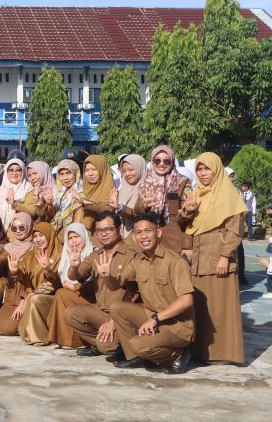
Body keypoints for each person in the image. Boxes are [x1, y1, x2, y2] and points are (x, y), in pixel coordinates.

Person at [105, 213, 195, 374]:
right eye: (138, 232)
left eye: (148, 231)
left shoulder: (174, 261)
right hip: (152, 316)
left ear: (158, 232)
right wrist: (106, 275)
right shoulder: (138, 260)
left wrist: (155, 319)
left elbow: (187, 300)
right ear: (134, 237)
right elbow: (116, 285)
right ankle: (136, 357)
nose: (143, 236)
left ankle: (178, 355)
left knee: (138, 344)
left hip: (176, 326)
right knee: (117, 308)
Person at [182, 153, 246, 365]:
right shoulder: (197, 194)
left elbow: (235, 230)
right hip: (199, 259)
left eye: (207, 169)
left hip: (218, 258)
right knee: (201, 307)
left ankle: (223, 353)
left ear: (217, 170)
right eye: (199, 169)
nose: (203, 173)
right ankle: (201, 352)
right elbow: (184, 225)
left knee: (220, 307)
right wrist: (187, 211)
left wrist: (225, 256)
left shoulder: (228, 195)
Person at [64, 211, 136, 357]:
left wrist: (114, 322)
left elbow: (134, 292)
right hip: (102, 311)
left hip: (122, 315)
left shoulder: (132, 254)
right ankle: (101, 341)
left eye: (108, 229)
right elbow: (75, 276)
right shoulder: (96, 255)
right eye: (99, 231)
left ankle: (116, 343)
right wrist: (73, 266)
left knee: (106, 348)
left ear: (119, 229)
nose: (103, 234)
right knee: (70, 314)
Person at [45, 222, 95, 348]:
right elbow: (60, 284)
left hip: (91, 298)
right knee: (61, 293)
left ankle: (74, 341)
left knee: (62, 294)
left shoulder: (93, 254)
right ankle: (65, 339)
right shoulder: (66, 256)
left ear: (84, 236)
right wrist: (47, 270)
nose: (73, 241)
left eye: (76, 236)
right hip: (73, 295)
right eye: (70, 238)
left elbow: (95, 283)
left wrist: (75, 287)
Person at [136, 145, 192, 255]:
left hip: (174, 242)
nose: (161, 164)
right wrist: (144, 206)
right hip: (149, 240)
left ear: (172, 162)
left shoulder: (182, 182)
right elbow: (136, 213)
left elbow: (189, 221)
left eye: (166, 161)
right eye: (157, 160)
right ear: (152, 162)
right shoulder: (145, 183)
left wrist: (187, 245)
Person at [0, 212, 36, 336]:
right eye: (14, 228)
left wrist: (25, 300)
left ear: (29, 227)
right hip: (12, 293)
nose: (18, 231)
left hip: (27, 292)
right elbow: (2, 258)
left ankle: (27, 323)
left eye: (22, 227)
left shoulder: (34, 248)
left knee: (9, 329)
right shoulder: (10, 247)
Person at [17, 220, 62, 345]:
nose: (38, 239)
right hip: (32, 296)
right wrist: (15, 271)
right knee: (3, 327)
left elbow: (56, 284)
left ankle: (39, 337)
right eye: (35, 236)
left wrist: (48, 269)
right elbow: (24, 278)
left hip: (54, 298)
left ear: (49, 235)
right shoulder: (31, 255)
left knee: (34, 299)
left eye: (41, 235)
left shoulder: (60, 254)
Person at [0, 158, 41, 230]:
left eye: (18, 170)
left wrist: (15, 204)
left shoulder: (29, 189)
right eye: (11, 170)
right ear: (6, 172)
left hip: (19, 231)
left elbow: (33, 211)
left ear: (23, 172)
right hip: (1, 232)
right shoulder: (0, 191)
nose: (14, 173)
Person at [74, 154, 116, 237]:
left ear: (102, 169)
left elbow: (108, 209)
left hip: (101, 238)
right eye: (87, 170)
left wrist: (87, 203)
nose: (90, 174)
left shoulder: (111, 191)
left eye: (94, 169)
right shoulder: (82, 190)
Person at [109, 154, 147, 236]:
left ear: (139, 168)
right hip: (123, 237)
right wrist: (113, 208)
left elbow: (141, 215)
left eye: (131, 169)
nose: (127, 174)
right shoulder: (123, 189)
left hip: (140, 237)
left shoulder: (147, 189)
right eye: (124, 171)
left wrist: (119, 207)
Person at [50, 159, 85, 242]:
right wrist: (49, 204)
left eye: (68, 173)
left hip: (74, 237)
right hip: (60, 236)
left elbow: (79, 217)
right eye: (61, 174)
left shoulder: (81, 190)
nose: (65, 178)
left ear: (75, 173)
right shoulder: (61, 192)